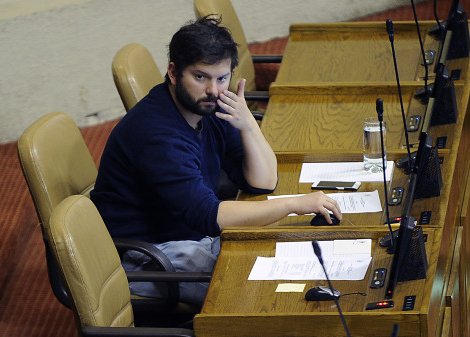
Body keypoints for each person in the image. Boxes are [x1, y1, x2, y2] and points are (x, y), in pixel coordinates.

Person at [91, 16, 341, 307]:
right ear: (173, 73)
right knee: (263, 292)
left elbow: (262, 182)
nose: (213, 89)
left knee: (287, 253)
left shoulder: (212, 106)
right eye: (200, 77)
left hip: (193, 237)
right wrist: (294, 204)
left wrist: (247, 124)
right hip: (148, 254)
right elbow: (208, 215)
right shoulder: (156, 134)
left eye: (222, 78)